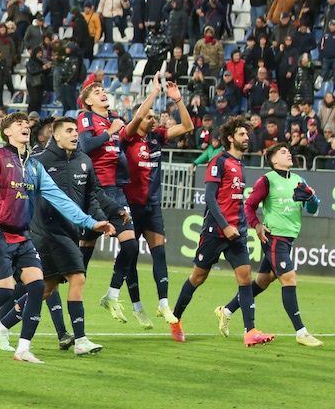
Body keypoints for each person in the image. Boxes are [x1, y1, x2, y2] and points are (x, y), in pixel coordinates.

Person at [0, 112, 114, 363]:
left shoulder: (35, 166)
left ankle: (22, 349)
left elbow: (61, 200)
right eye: (18, 124)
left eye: (26, 124)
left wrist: (90, 222)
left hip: (23, 236)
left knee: (37, 287)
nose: (25, 127)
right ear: (7, 131)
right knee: (5, 291)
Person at [169, 116, 276, 347]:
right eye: (242, 134)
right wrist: (224, 226)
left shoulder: (241, 164)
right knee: (198, 277)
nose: (247, 137)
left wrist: (236, 226)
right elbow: (209, 197)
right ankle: (175, 319)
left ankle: (250, 331)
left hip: (237, 231)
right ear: (230, 138)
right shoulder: (219, 161)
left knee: (245, 277)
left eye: (247, 134)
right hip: (216, 230)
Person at [215, 144, 324, 347]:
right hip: (274, 238)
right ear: (274, 160)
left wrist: (311, 198)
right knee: (289, 279)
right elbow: (249, 205)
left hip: (289, 239)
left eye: (288, 151)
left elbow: (313, 208)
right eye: (283, 152)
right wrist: (256, 225)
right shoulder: (267, 180)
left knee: (262, 282)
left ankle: (227, 310)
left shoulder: (299, 181)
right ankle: (301, 332)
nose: (288, 153)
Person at [116, 74, 193, 326]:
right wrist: (154, 92)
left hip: (152, 206)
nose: (153, 120)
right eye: (149, 117)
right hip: (131, 205)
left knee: (159, 254)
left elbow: (187, 127)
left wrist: (178, 100)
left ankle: (163, 304)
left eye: (155, 118)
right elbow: (138, 116)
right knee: (130, 257)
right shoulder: (128, 138)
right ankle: (137, 306)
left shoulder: (156, 137)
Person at [75, 83, 142, 326]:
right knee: (84, 258)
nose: (103, 93)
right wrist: (110, 132)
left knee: (131, 246)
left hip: (116, 192)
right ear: (88, 101)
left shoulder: (116, 119)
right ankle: (74, 312)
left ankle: (112, 295)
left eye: (104, 90)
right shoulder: (86, 117)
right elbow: (85, 146)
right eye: (96, 92)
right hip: (93, 192)